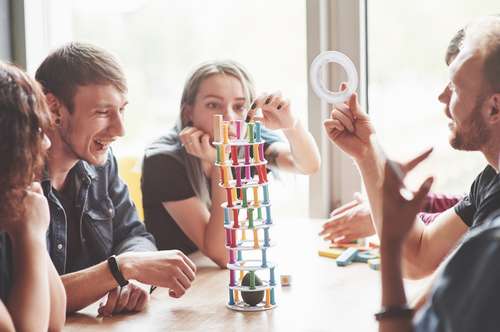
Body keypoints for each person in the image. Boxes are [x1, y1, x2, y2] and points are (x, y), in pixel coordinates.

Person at [324, 13, 500, 283]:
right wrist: (366, 153)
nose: (442, 97)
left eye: (454, 87)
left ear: (494, 107)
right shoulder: (490, 181)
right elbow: (417, 255)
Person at [35, 42, 197, 316]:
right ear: (54, 108)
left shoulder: (101, 163)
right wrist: (121, 268)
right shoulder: (13, 181)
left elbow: (134, 235)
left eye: (122, 109)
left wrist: (134, 281)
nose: (120, 129)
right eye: (102, 112)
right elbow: (30, 300)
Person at [142, 60, 321, 267]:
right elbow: (223, 254)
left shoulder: (247, 138)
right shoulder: (163, 160)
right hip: (172, 282)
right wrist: (222, 162)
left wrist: (291, 125)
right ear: (188, 112)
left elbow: (307, 166)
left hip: (213, 277)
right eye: (213, 105)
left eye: (239, 106)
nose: (229, 116)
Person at [320, 28, 466, 245]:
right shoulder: (490, 179)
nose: (442, 95)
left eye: (456, 83)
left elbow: (427, 251)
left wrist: (385, 216)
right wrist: (390, 205)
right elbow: (465, 209)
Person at [0, 62, 66, 331]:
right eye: (37, 132)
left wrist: (33, 234)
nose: (47, 143)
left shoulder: (12, 208)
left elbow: (54, 321)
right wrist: (30, 235)